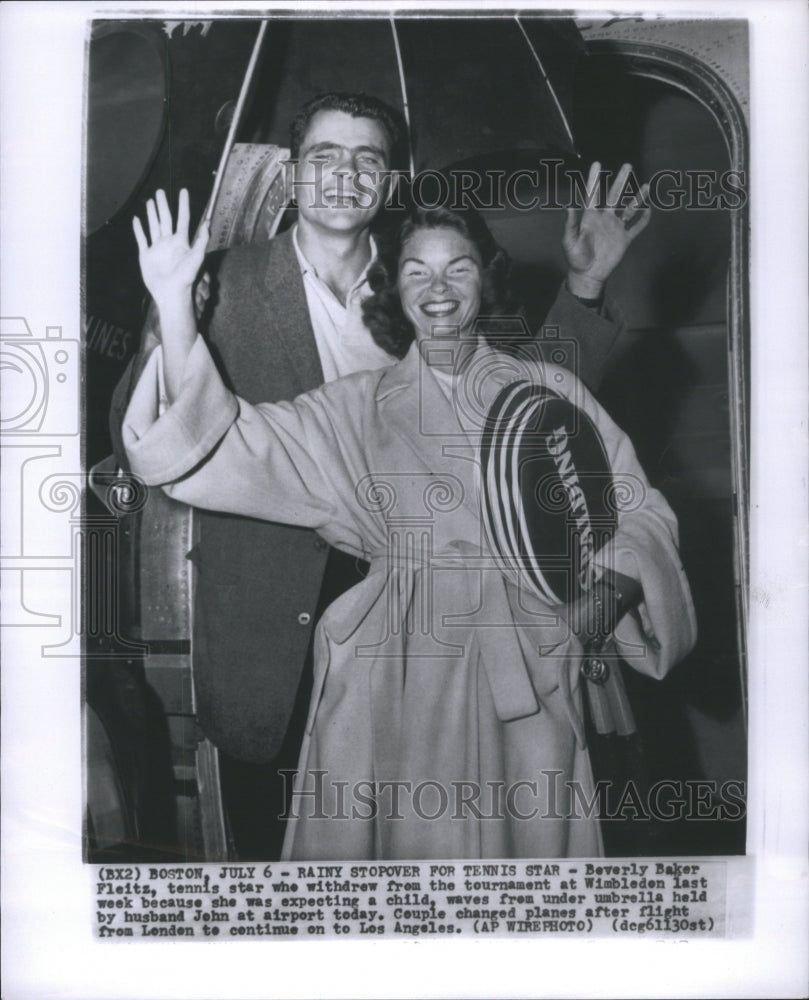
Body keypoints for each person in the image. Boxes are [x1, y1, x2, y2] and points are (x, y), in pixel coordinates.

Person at [109, 92, 650, 859]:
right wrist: (170, 315)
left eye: (367, 157)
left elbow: (538, 418)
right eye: (324, 156)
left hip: (470, 643)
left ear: (390, 179)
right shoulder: (210, 277)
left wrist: (584, 287)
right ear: (291, 174)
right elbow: (165, 441)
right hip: (285, 633)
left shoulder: (422, 277)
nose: (344, 174)